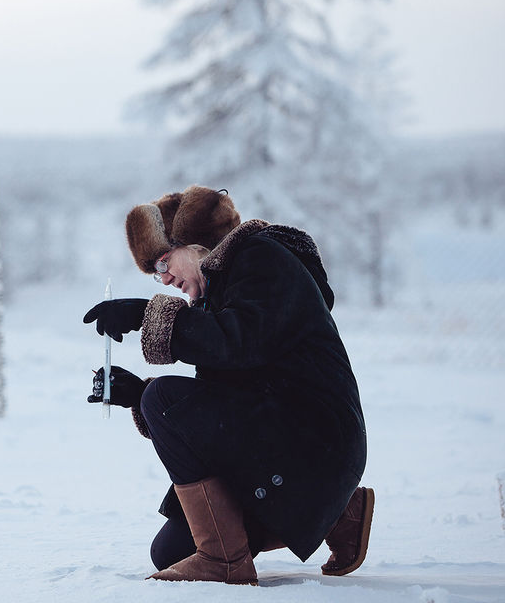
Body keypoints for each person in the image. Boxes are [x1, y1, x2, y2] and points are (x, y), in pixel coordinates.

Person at [83, 185, 373, 585]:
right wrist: (138, 393)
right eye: (155, 272)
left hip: (316, 440)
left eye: (163, 262)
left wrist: (143, 315)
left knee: (163, 398)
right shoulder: (216, 292)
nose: (163, 279)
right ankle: (339, 514)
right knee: (169, 552)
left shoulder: (261, 258)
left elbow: (238, 340)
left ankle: (225, 559)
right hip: (286, 442)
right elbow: (223, 397)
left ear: (195, 242)